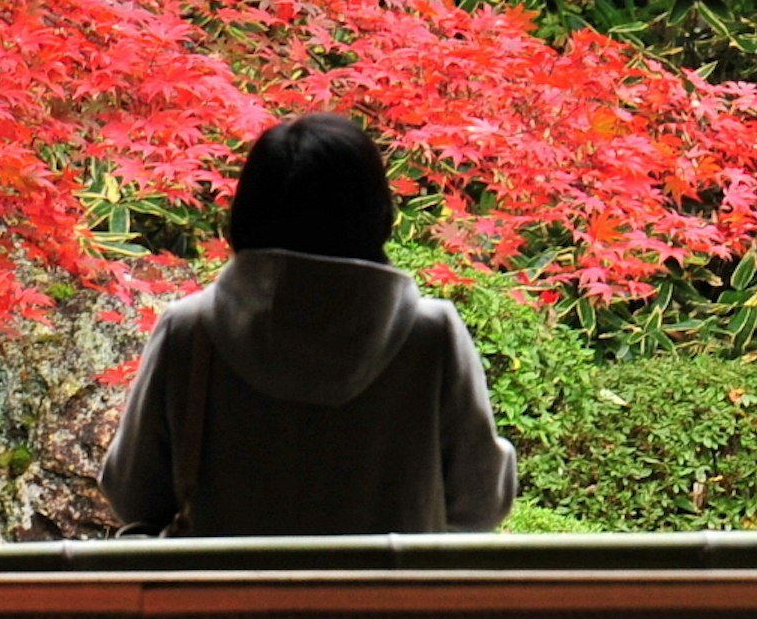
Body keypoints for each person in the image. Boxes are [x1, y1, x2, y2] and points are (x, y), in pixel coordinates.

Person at [99, 113, 517, 537]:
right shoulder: (431, 336)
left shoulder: (190, 331)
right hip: (390, 599)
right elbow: (480, 501)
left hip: (223, 598)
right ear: (375, 211)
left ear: (247, 210)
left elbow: (133, 492)